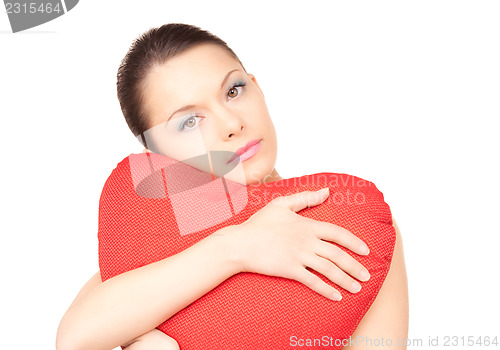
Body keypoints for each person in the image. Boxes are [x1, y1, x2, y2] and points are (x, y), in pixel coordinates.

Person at [56, 23, 408, 350]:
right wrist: (237, 246)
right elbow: (75, 338)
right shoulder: (164, 234)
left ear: (258, 87)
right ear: (157, 155)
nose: (231, 123)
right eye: (189, 121)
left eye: (234, 90)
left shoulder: (352, 224)